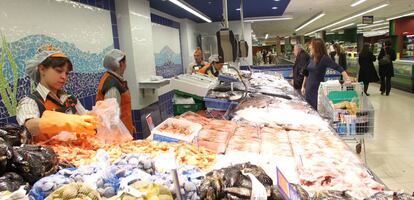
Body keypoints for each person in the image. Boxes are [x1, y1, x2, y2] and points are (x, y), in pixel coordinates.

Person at [17, 44, 97, 143]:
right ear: (42, 69)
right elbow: (29, 126)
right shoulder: (30, 102)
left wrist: (99, 114)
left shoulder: (70, 99)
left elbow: (86, 118)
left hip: (76, 154)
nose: (64, 77)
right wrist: (65, 121)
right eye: (59, 71)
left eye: (67, 73)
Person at [301, 38, 351, 110]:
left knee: (316, 109)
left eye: (311, 45)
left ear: (316, 47)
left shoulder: (324, 59)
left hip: (317, 90)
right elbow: (306, 72)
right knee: (309, 109)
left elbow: (338, 67)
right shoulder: (312, 57)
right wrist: (303, 86)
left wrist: (347, 78)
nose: (309, 47)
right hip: (308, 88)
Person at [96, 49, 134, 134]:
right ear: (121, 64)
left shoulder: (116, 80)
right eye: (125, 62)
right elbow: (110, 119)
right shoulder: (112, 85)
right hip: (118, 137)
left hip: (124, 133)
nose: (126, 65)